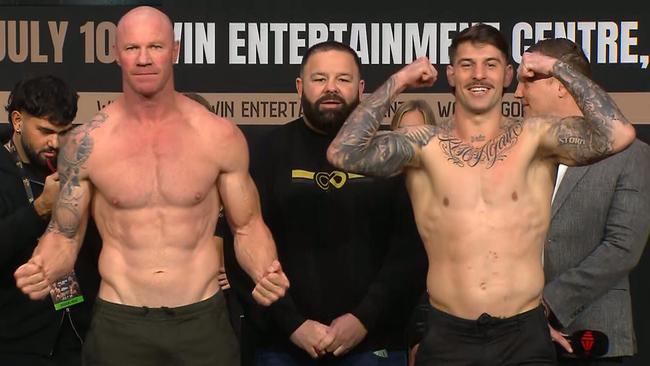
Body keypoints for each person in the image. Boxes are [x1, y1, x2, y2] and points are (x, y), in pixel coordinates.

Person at [326, 24, 636, 365]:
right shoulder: (423, 145)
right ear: (451, 74)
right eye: (467, 64)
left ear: (507, 74)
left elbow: (618, 135)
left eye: (490, 64)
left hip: (524, 336)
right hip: (448, 335)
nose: (478, 74)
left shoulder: (537, 139)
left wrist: (556, 68)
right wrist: (399, 81)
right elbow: (343, 154)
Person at [14, 6, 289, 366]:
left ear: (174, 50)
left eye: (155, 47)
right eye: (132, 48)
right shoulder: (87, 143)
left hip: (201, 320)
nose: (144, 59)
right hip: (120, 321)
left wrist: (265, 270)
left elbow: (248, 225)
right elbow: (65, 234)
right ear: (116, 54)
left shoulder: (219, 136)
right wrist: (43, 266)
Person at [224, 40, 426, 365]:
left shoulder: (391, 154)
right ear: (300, 87)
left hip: (373, 341)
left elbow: (410, 250)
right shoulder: (265, 152)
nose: (331, 88)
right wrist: (293, 324)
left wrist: (363, 319)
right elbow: (241, 242)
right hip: (282, 343)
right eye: (319, 79)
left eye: (343, 80)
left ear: (361, 89)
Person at [514, 38, 650, 365]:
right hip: (517, 338)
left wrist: (546, 305)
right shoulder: (518, 153)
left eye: (527, 81)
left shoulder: (630, 155)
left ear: (562, 84)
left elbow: (622, 247)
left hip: (591, 336)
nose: (517, 94)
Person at [0, 75, 101, 366]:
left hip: (77, 338)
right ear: (17, 121)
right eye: (45, 131)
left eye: (63, 131)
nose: (54, 143)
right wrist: (39, 209)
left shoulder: (77, 167)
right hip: (15, 345)